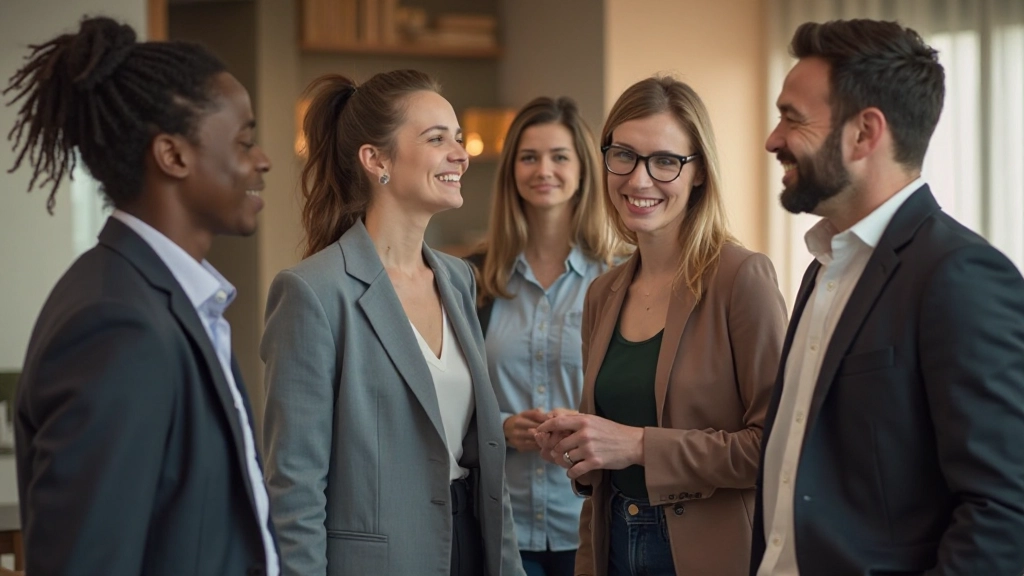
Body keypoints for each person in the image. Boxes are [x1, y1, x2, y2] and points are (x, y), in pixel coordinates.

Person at [753, 19, 1024, 576]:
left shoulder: (960, 275)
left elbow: (1004, 510)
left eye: (791, 117)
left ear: (864, 133)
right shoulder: (824, 265)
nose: (773, 139)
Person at [7, 16, 277, 575]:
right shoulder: (116, 323)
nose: (263, 159)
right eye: (246, 140)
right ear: (173, 156)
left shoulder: (168, 301)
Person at [260, 70, 525, 576]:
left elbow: (483, 455)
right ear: (375, 159)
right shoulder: (313, 292)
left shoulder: (458, 279)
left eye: (457, 136)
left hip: (471, 545)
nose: (461, 153)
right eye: (436, 138)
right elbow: (294, 486)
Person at [535, 76, 789, 576]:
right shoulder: (602, 293)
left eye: (665, 161)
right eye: (624, 155)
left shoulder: (742, 278)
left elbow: (776, 447)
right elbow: (607, 458)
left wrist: (636, 444)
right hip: (611, 541)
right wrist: (581, 447)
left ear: (698, 173)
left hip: (707, 554)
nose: (639, 179)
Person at [468, 96, 620, 576]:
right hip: (503, 526)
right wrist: (500, 428)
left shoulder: (620, 277)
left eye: (559, 156)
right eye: (529, 157)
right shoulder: (472, 278)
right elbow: (450, 401)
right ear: (511, 170)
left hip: (597, 523)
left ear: (582, 169)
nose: (543, 169)